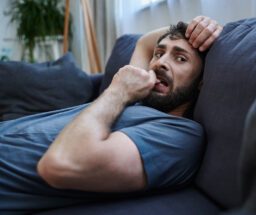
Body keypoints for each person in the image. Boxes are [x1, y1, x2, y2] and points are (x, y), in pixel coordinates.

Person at [0, 16, 223, 213]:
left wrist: (118, 90)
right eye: (159, 53)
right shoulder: (135, 99)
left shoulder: (180, 135)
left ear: (200, 83)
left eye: (180, 58)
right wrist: (196, 27)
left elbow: (61, 164)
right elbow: (145, 42)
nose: (161, 63)